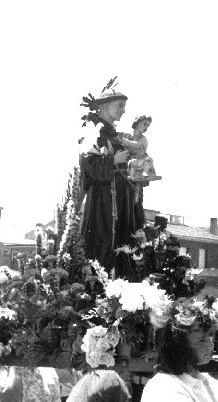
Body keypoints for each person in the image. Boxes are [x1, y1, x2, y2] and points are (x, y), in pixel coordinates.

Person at [78, 84, 143, 274]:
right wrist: (113, 160)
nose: (123, 111)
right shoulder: (92, 131)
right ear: (104, 107)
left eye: (124, 106)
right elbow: (88, 164)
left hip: (121, 199)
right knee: (103, 242)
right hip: (102, 202)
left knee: (121, 245)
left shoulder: (114, 135)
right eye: (119, 106)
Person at [119, 114, 160, 183]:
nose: (146, 127)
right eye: (144, 124)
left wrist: (128, 142)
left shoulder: (143, 139)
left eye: (148, 125)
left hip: (141, 160)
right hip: (130, 161)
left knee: (148, 161)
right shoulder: (127, 135)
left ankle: (149, 174)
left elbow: (138, 145)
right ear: (137, 123)